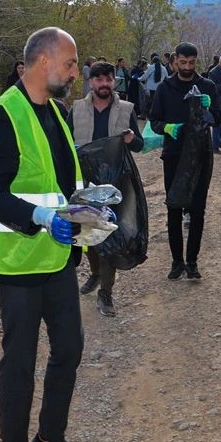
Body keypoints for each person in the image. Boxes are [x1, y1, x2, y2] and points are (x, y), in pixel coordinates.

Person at [0, 26, 97, 442]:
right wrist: (41, 216)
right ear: (44, 62)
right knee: (19, 362)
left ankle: (49, 439)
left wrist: (90, 214)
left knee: (70, 348)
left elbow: (62, 184)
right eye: (70, 63)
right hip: (18, 262)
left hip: (55, 257)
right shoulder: (4, 116)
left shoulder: (56, 114)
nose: (75, 72)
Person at [68, 61, 144, 316]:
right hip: (85, 182)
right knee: (88, 234)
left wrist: (133, 139)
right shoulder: (76, 109)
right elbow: (65, 144)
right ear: (90, 82)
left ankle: (106, 294)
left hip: (116, 182)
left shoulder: (126, 109)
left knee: (110, 234)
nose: (104, 84)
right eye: (98, 80)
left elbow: (139, 146)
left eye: (108, 80)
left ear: (114, 81)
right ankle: (95, 274)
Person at [148, 42, 221, 280]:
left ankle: (192, 262)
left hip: (200, 156)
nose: (187, 67)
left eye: (191, 63)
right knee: (173, 208)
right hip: (173, 155)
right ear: (175, 61)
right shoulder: (165, 88)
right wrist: (166, 127)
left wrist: (210, 108)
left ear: (195, 61)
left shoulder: (207, 86)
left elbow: (219, 118)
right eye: (183, 62)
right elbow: (154, 120)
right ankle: (176, 261)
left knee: (197, 210)